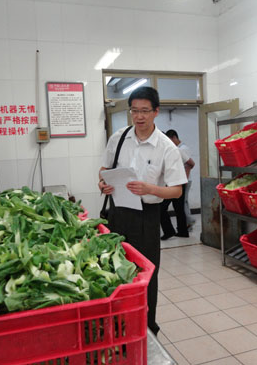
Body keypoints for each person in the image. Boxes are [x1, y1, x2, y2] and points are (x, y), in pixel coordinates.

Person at [98, 87, 187, 335]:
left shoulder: (166, 147)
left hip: (146, 217)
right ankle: (116, 324)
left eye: (145, 111)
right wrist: (103, 184)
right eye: (135, 111)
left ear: (156, 112)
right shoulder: (118, 138)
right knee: (113, 270)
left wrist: (150, 188)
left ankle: (146, 327)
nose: (139, 116)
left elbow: (177, 191)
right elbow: (104, 170)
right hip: (117, 214)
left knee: (145, 273)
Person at [160, 130, 195, 240]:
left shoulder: (177, 150)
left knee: (161, 208)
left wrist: (185, 177)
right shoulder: (164, 151)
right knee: (178, 208)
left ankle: (170, 230)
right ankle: (182, 231)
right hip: (170, 183)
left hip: (177, 183)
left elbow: (191, 163)